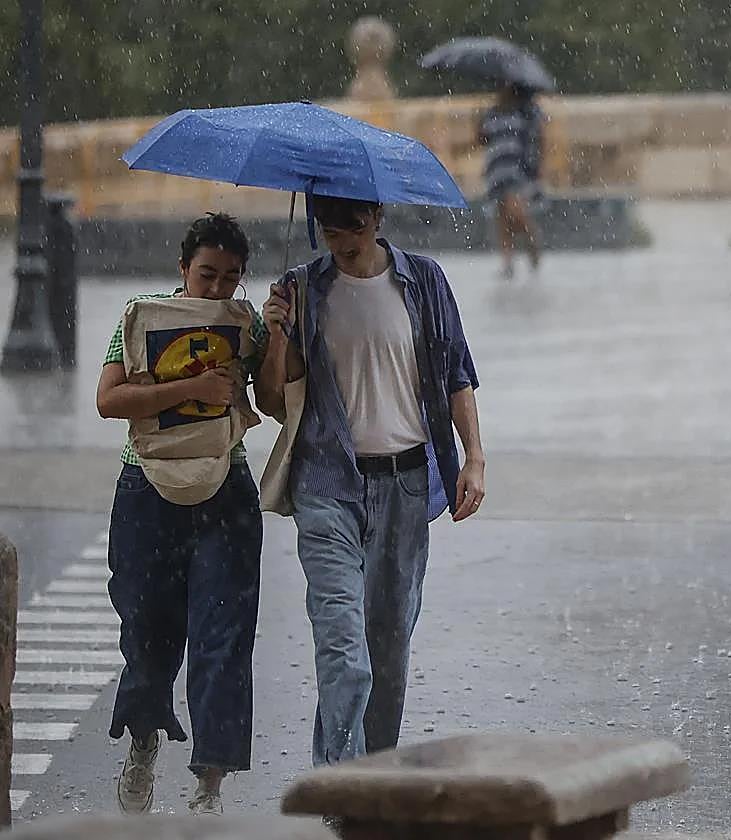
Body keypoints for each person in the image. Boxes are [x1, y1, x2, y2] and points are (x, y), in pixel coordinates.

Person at [256, 194, 485, 768]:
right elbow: (270, 401)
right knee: (345, 653)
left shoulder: (424, 281)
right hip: (328, 486)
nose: (341, 240)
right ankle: (340, 786)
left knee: (387, 655)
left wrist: (474, 456)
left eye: (353, 226)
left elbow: (457, 371)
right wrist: (278, 332)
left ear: (378, 215)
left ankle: (375, 782)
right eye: (328, 229)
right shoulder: (302, 289)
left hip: (406, 485)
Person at [96, 213, 268, 815]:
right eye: (206, 275)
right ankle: (142, 745)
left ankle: (209, 786)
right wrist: (189, 393)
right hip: (147, 487)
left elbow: (274, 397)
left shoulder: (248, 326)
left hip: (226, 487)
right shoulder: (141, 318)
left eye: (230, 277)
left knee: (224, 636)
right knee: (147, 630)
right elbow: (109, 399)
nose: (217, 289)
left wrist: (279, 334)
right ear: (182, 270)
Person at [478, 83, 544, 279]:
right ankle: (507, 263)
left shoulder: (525, 111)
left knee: (516, 212)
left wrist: (539, 163)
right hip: (496, 169)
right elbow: (482, 139)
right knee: (502, 218)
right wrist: (477, 121)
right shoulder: (491, 113)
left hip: (517, 169)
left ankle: (533, 245)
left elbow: (538, 137)